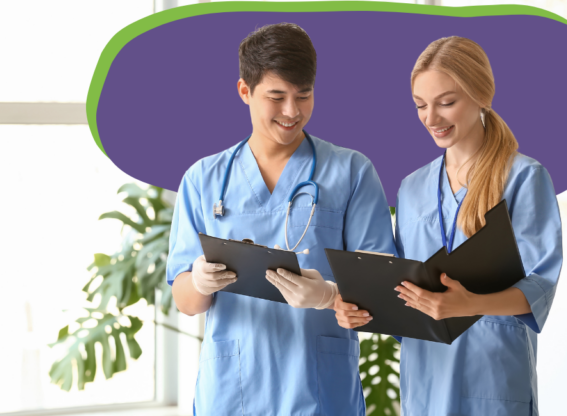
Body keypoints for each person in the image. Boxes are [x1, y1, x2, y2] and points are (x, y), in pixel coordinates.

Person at [167, 23, 396, 415]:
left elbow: (383, 291)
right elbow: (185, 301)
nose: (292, 111)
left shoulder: (352, 172)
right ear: (245, 91)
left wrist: (328, 296)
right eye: (277, 96)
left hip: (321, 393)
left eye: (303, 95)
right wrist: (200, 280)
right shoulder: (203, 179)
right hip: (231, 394)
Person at [334, 36, 563, 415]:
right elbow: (401, 287)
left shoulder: (523, 177)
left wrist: (470, 303)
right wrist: (358, 308)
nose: (431, 118)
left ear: (480, 95)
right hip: (426, 377)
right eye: (421, 106)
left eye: (447, 103)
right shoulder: (411, 188)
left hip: (493, 375)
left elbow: (541, 285)